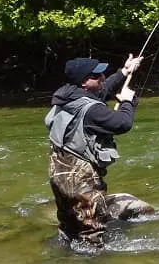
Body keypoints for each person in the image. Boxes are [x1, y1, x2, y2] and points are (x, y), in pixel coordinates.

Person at [44, 54, 151, 249]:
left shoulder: (66, 97)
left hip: (59, 174)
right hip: (81, 180)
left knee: (68, 226)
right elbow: (122, 124)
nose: (103, 78)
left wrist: (124, 72)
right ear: (84, 81)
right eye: (98, 76)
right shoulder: (92, 111)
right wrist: (128, 102)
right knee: (91, 234)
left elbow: (100, 93)